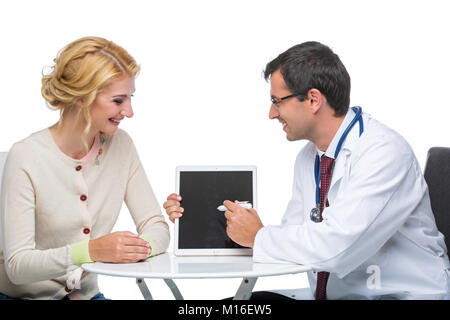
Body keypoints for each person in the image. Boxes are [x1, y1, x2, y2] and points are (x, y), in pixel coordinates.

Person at [164, 41, 450, 300]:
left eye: (277, 101)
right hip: (338, 295)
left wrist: (259, 237)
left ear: (313, 99)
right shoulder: (310, 157)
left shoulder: (383, 151)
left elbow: (336, 248)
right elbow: (293, 240)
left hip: (399, 294)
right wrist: (214, 229)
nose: (272, 113)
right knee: (234, 307)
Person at [0, 37, 169, 300]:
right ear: (81, 98)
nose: (129, 111)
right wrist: (91, 251)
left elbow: (155, 225)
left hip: (87, 296)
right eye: (118, 100)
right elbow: (17, 266)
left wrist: (135, 249)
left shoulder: (121, 146)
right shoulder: (26, 156)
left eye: (130, 98)